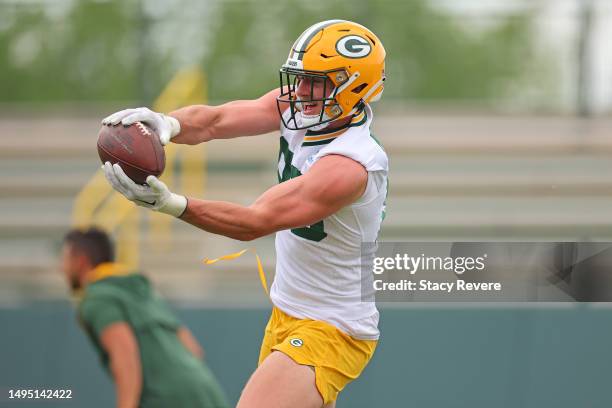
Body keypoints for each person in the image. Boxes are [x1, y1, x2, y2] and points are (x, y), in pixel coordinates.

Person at [101, 19, 387, 408]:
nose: (301, 92)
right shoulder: (306, 108)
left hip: (332, 326)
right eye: (300, 79)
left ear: (354, 87)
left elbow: (255, 222)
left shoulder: (351, 165)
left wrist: (169, 204)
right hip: (287, 310)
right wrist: (167, 123)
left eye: (315, 82)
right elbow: (218, 120)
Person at [61, 228, 229, 408]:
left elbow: (124, 357)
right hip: (206, 391)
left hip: (166, 400)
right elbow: (193, 349)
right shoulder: (141, 289)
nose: (61, 268)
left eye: (64, 259)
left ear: (80, 261)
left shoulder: (98, 298)